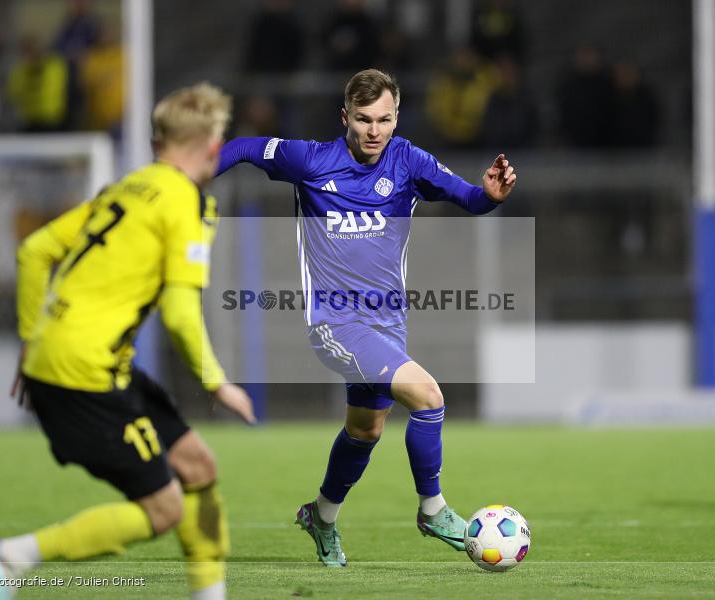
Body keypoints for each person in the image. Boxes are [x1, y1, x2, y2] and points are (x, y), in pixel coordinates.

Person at [215, 69, 516, 566]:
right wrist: (190, 176)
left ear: (396, 118)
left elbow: (468, 197)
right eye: (363, 119)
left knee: (365, 431)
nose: (374, 130)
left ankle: (322, 515)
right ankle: (432, 509)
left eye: (384, 119)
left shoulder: (408, 161)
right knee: (428, 395)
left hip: (388, 325)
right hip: (335, 324)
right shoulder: (311, 160)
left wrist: (490, 195)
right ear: (345, 118)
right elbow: (247, 146)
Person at [0, 83, 255, 600]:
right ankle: (11, 557)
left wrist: (31, 341)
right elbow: (179, 310)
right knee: (164, 508)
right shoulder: (186, 202)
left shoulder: (125, 187)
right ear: (213, 148)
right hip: (86, 371)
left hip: (75, 358)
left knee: (198, 465)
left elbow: (34, 250)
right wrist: (216, 382)